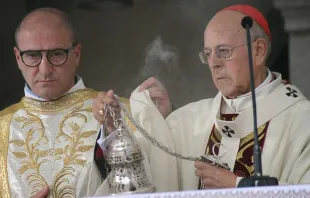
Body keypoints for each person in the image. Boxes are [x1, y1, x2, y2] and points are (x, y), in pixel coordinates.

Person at [93, 4, 310, 191]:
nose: (214, 63)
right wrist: (115, 130)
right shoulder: (187, 120)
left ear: (259, 51)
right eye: (208, 54)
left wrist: (239, 187)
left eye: (223, 51)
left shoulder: (301, 119)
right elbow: (144, 179)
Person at [0, 7, 140, 198]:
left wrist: (115, 132)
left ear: (77, 54)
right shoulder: (3, 126)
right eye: (32, 55)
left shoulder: (125, 113)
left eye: (56, 54)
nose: (45, 69)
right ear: (18, 58)